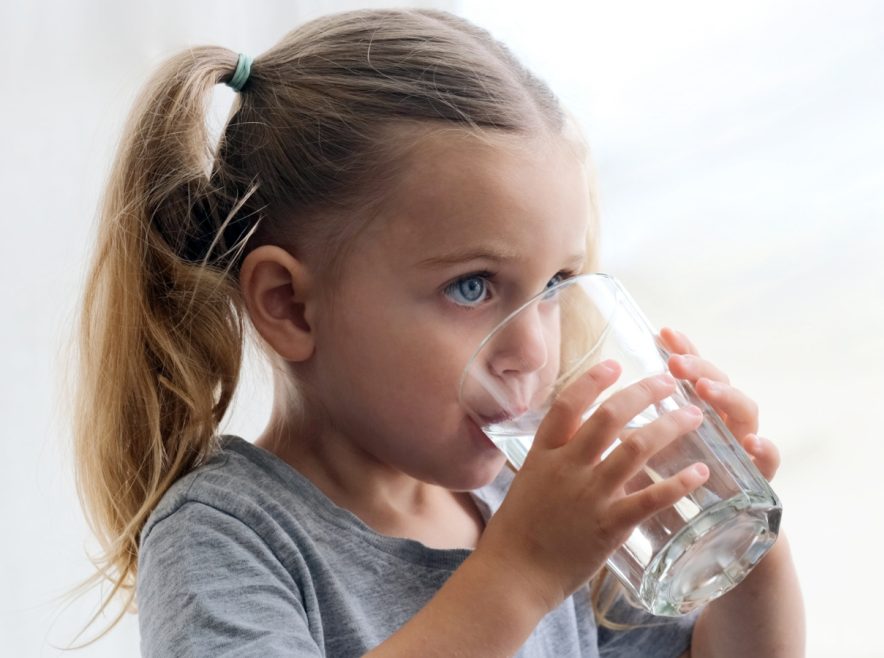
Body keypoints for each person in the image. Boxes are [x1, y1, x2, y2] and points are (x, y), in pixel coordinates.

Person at [73, 8, 804, 657]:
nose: (533, 353)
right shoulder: (225, 539)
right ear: (291, 306)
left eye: (552, 286)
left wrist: (744, 549)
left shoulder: (535, 499)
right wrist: (518, 577)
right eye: (473, 286)